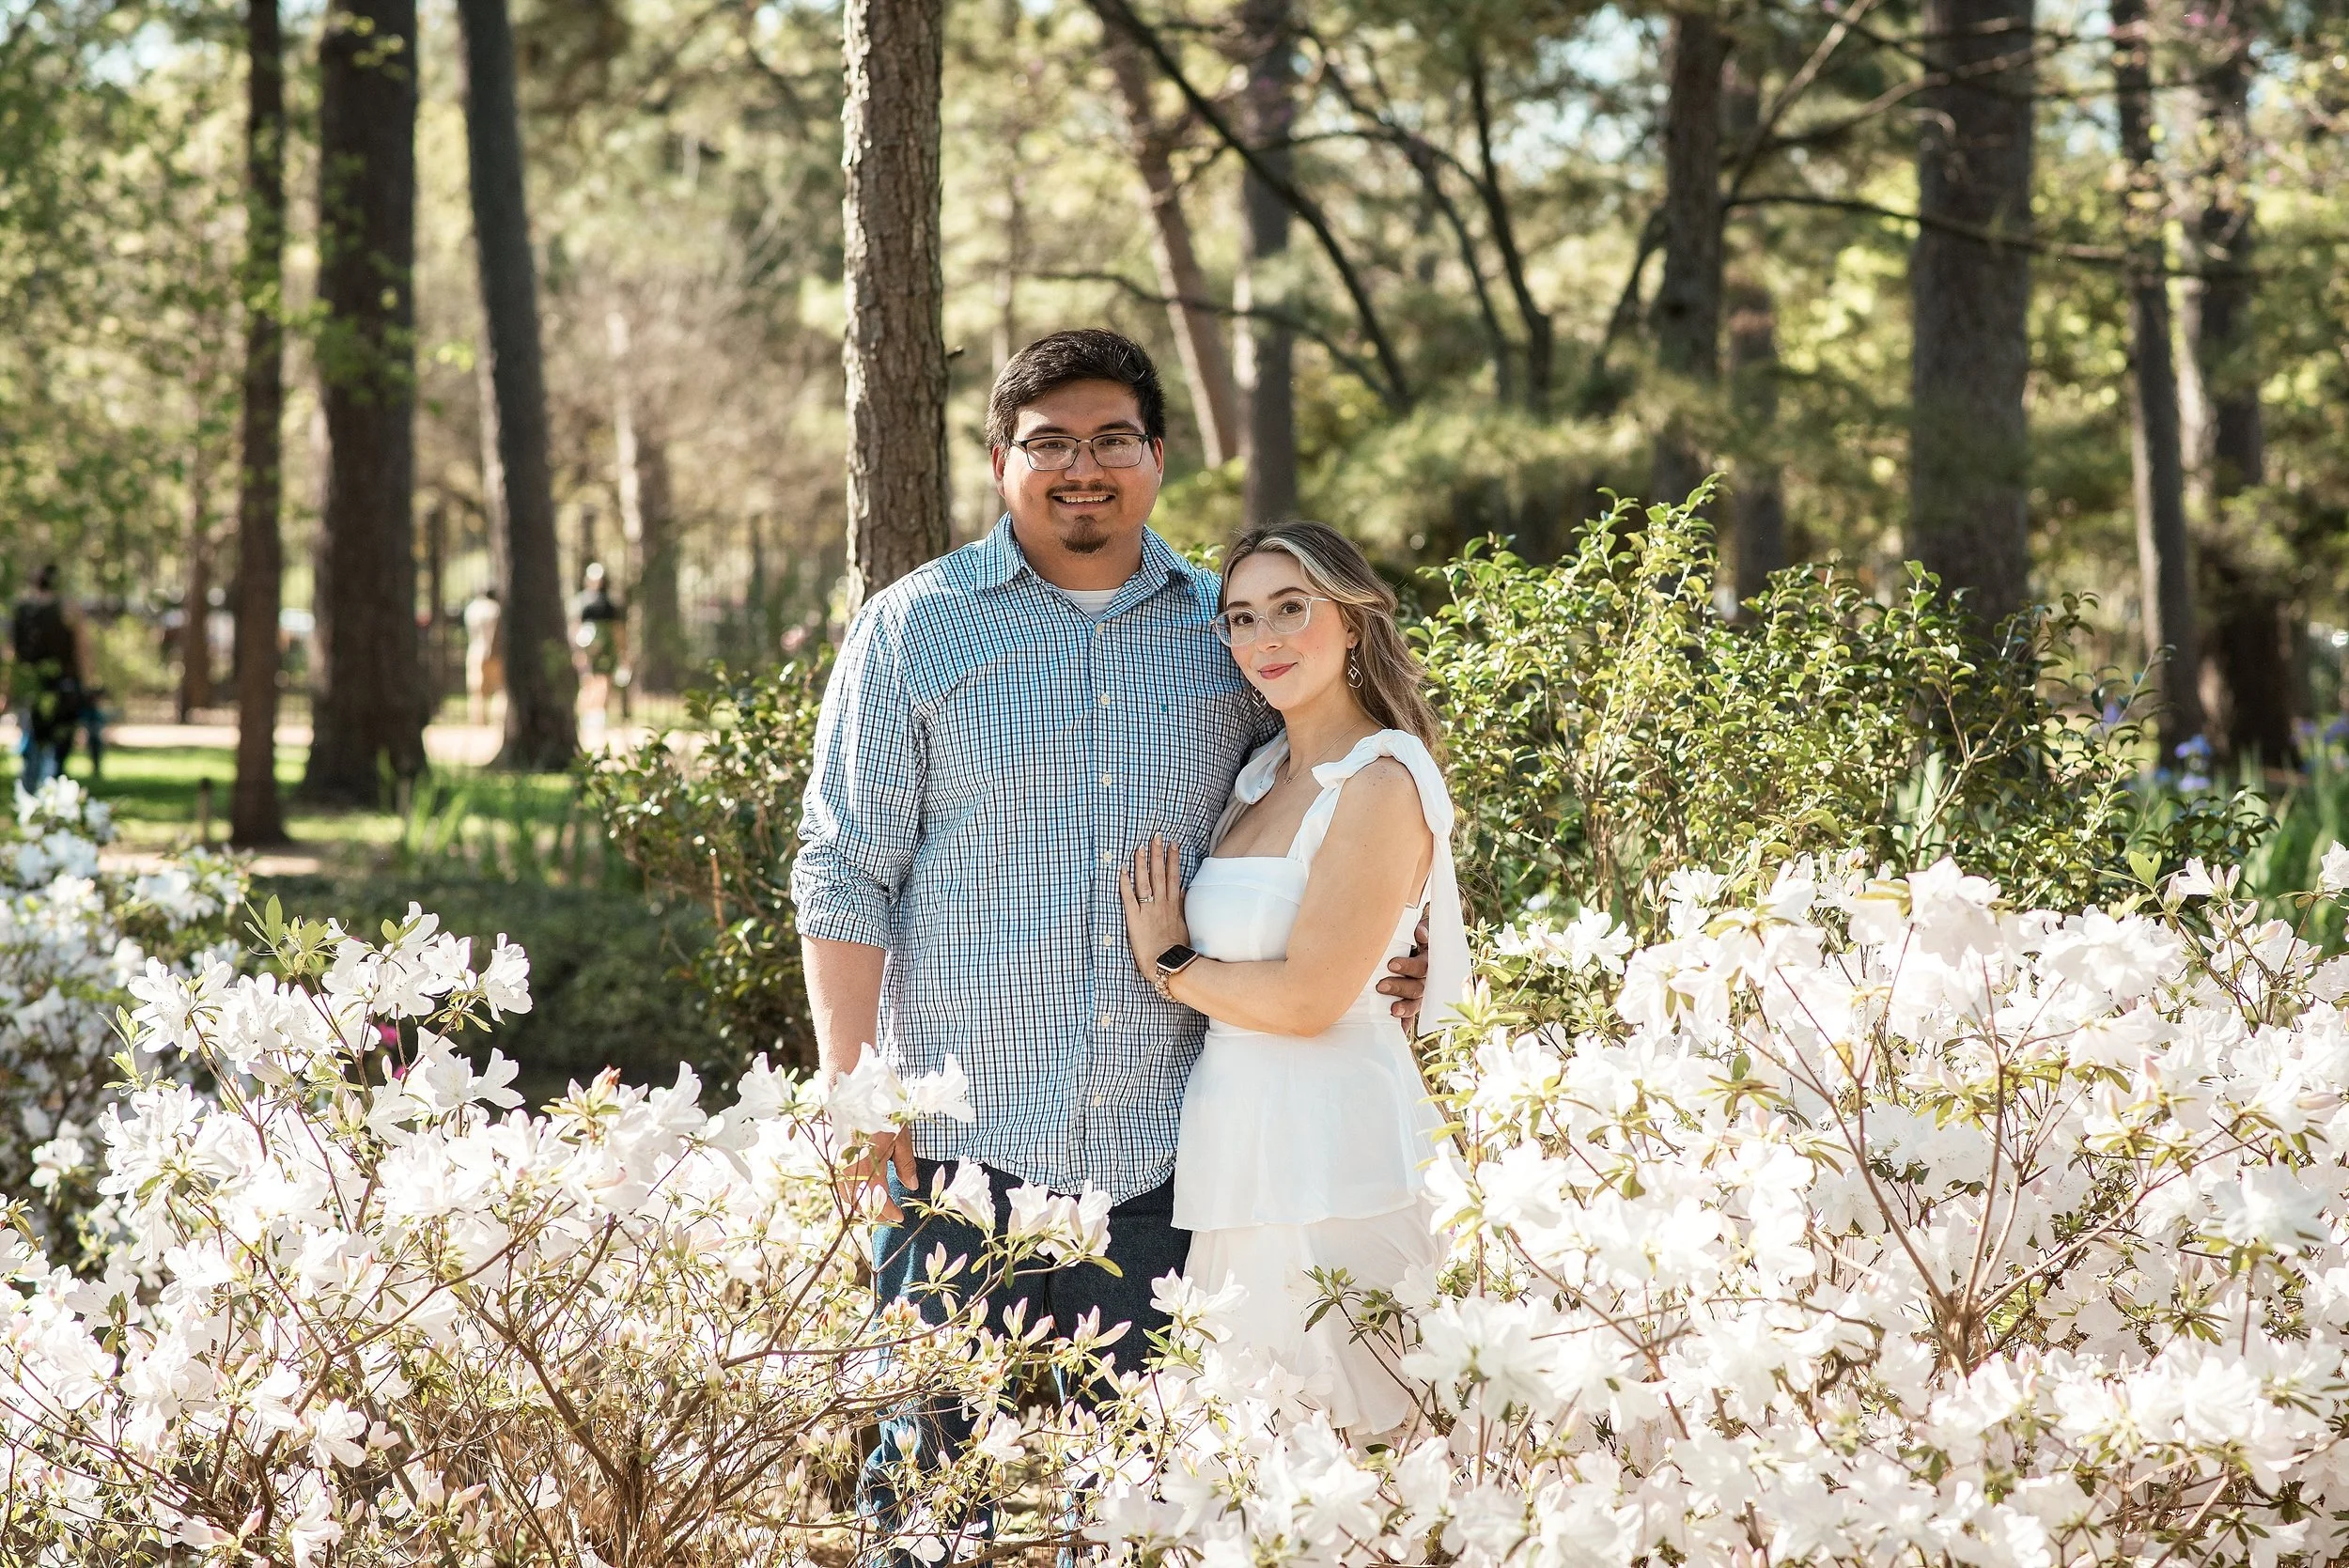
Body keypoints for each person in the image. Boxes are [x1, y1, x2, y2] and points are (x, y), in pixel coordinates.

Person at [792, 329, 1428, 1560]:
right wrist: (859, 1101)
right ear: (1000, 461)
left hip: (1164, 1168)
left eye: (1112, 441)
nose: (1083, 467)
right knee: (927, 1504)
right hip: (954, 1164)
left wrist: (1389, 954)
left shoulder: (1230, 632)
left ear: (1157, 456)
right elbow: (843, 869)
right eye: (1051, 444)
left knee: (1140, 1509)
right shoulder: (912, 630)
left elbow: (1340, 791)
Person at [1118, 521, 1470, 1438]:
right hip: (1238, 1144)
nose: (1264, 638)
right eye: (1240, 618)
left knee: (1366, 1439)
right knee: (1251, 1452)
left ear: (1350, 621)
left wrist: (1170, 964)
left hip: (1335, 1147)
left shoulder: (1381, 779)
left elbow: (1313, 998)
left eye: (1289, 608)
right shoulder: (1260, 775)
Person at [10, 566, 83, 790]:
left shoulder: (22, 609)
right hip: (62, 685)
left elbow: (10, 652)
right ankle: (46, 792)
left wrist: (9, 687)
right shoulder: (67, 609)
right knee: (55, 743)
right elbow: (83, 648)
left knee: (34, 740)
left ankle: (36, 791)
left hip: (33, 686)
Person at [571, 563, 624, 746]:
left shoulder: (610, 603)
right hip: (587, 647)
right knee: (588, 682)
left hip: (607, 649)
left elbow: (618, 630)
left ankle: (599, 717)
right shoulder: (581, 602)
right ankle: (587, 717)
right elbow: (576, 625)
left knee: (605, 682)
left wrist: (622, 650)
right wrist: (577, 650)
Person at [462, 586, 503, 727]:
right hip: (493, 652)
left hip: (475, 650)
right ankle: (497, 720)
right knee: (498, 688)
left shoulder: (471, 609)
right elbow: (496, 633)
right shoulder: (494, 609)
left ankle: (478, 721)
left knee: (477, 689)